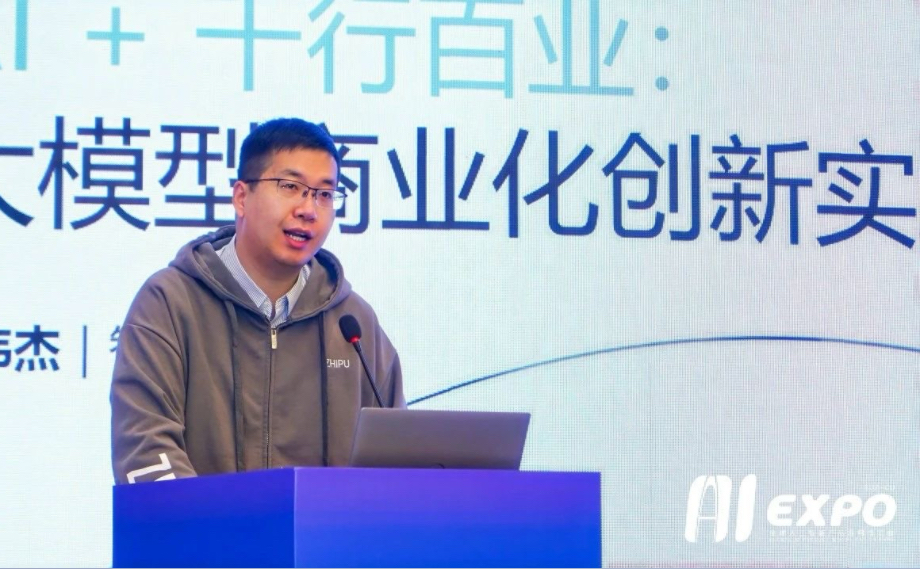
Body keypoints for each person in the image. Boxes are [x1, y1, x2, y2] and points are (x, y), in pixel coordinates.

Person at [110, 118, 404, 484]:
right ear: (241, 197)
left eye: (325, 194)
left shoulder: (353, 323)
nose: (309, 209)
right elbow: (145, 446)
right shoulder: (170, 303)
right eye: (290, 187)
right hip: (204, 523)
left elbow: (395, 462)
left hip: (326, 526)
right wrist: (224, 520)